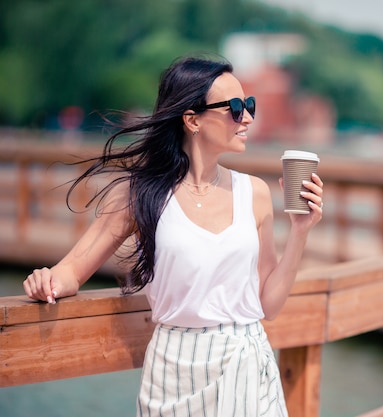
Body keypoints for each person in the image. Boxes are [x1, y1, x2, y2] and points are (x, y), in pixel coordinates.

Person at [22, 56, 324, 416]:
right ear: (192, 119)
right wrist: (47, 281)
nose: (247, 118)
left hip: (247, 366)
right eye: (235, 108)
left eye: (250, 105)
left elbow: (268, 305)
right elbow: (72, 270)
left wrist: (300, 232)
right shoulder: (140, 194)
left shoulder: (254, 193)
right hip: (174, 368)